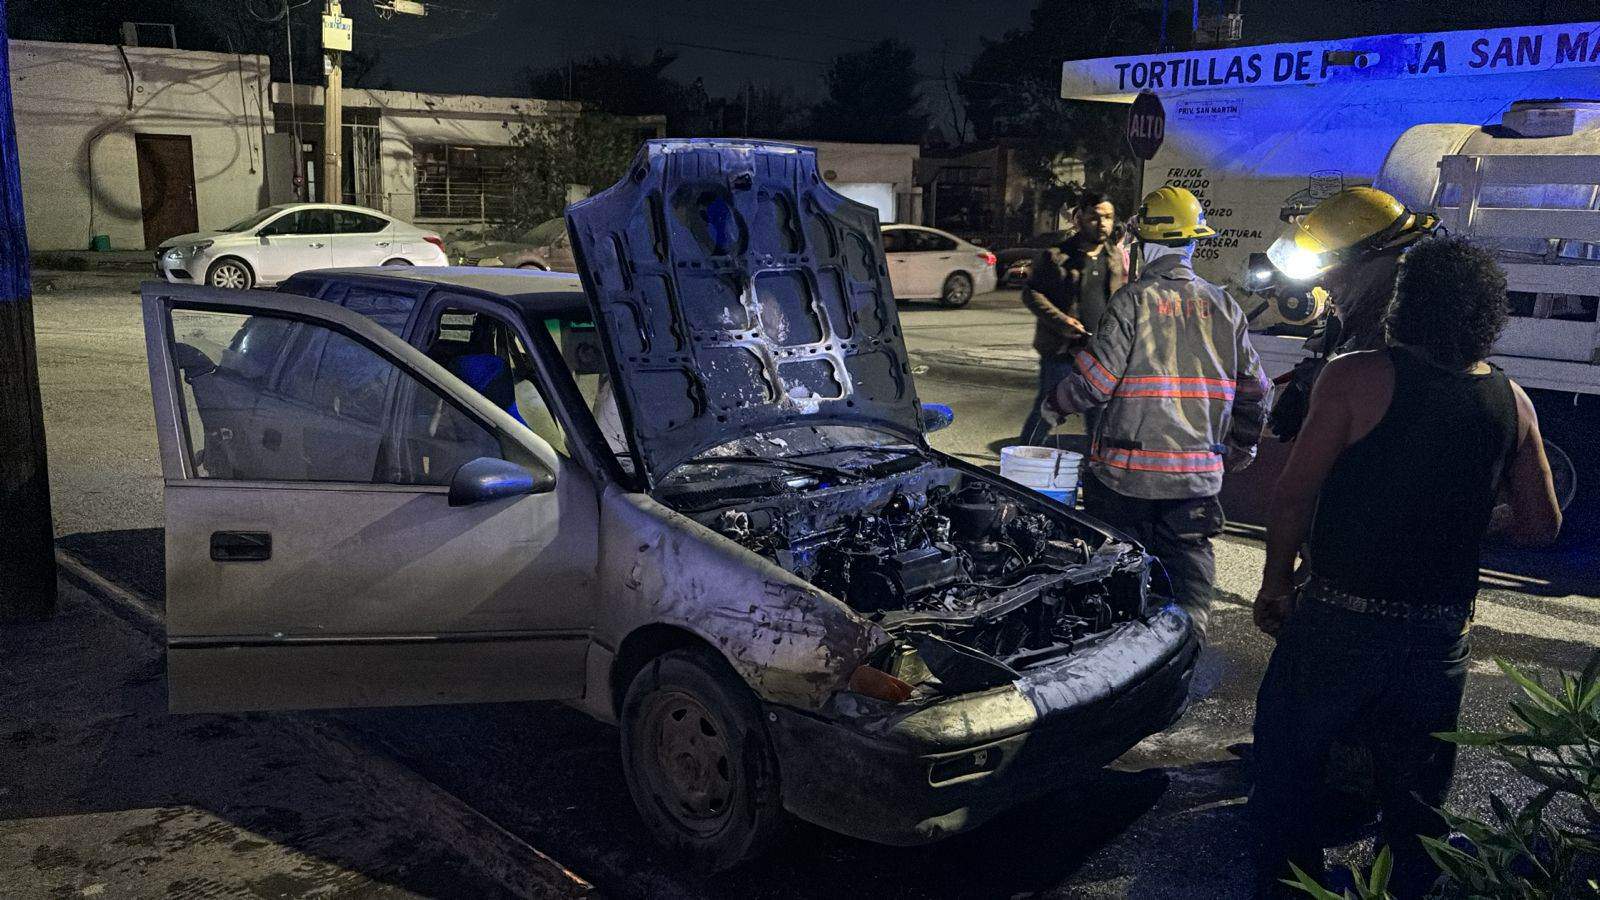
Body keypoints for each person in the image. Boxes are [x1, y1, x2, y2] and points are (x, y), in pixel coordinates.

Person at [1248, 236, 1563, 898]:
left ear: (1408, 304)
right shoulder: (1514, 401)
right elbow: (1540, 524)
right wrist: (1473, 521)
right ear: (1488, 314)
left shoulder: (1356, 377)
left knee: (1290, 768)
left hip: (1338, 620)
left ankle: (1291, 889)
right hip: (1438, 636)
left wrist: (1276, 581)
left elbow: (1294, 493)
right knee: (1417, 800)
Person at [1041, 186, 1271, 639]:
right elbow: (1257, 390)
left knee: (1120, 574)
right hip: (1197, 477)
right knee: (1190, 571)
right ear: (1192, 243)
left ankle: (1125, 652)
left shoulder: (1132, 300)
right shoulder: (1225, 306)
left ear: (1143, 244)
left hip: (1128, 478)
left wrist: (1054, 405)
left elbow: (1095, 382)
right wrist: (1244, 444)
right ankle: (1188, 642)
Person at [1265, 187, 1438, 440]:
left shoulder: (1401, 329)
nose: (1323, 281)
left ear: (1368, 265)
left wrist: (1316, 388)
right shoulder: (1368, 310)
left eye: (1334, 271)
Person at [1017, 192, 1129, 447]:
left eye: (1108, 218)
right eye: (1095, 217)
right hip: (1062, 352)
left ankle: (1096, 469)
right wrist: (1061, 321)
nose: (1102, 224)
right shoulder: (1056, 256)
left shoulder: (1115, 257)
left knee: (1099, 414)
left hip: (1101, 353)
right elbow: (1031, 293)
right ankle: (1020, 463)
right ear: (1079, 219)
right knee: (1048, 410)